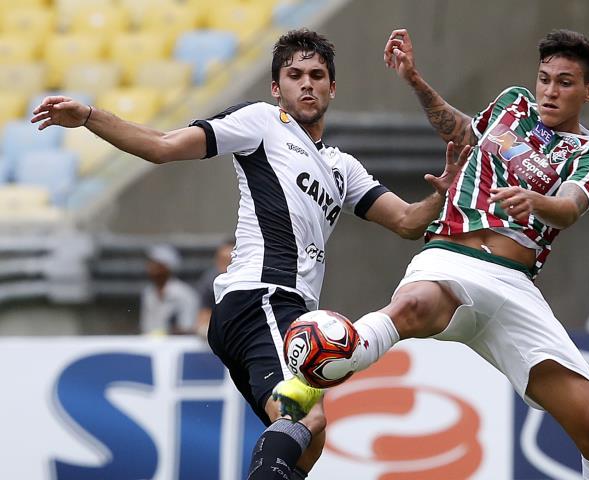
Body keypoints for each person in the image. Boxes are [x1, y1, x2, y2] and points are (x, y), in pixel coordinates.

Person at [31, 29, 468, 480]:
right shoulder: (262, 122)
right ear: (276, 88)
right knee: (305, 419)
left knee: (308, 438)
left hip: (276, 310)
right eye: (294, 75)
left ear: (332, 88)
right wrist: (88, 116)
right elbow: (162, 147)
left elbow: (408, 222)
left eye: (317, 75)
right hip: (262, 296)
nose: (307, 83)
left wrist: (444, 190)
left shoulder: (343, 168)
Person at [343, 28, 589, 480]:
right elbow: (463, 131)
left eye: (565, 83)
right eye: (545, 79)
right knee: (413, 306)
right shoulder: (512, 104)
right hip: (449, 259)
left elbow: (570, 207)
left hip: (513, 286)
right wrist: (416, 81)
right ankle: (327, 359)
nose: (550, 91)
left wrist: (537, 202)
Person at [140, 244, 199, 335]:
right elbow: (146, 328)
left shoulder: (185, 294)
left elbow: (188, 328)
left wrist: (166, 333)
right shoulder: (148, 292)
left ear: (167, 267)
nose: (150, 267)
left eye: (155, 263)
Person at [194, 236, 235, 339]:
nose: (224, 267)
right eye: (221, 260)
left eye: (228, 261)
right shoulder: (209, 283)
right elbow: (203, 318)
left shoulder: (248, 284)